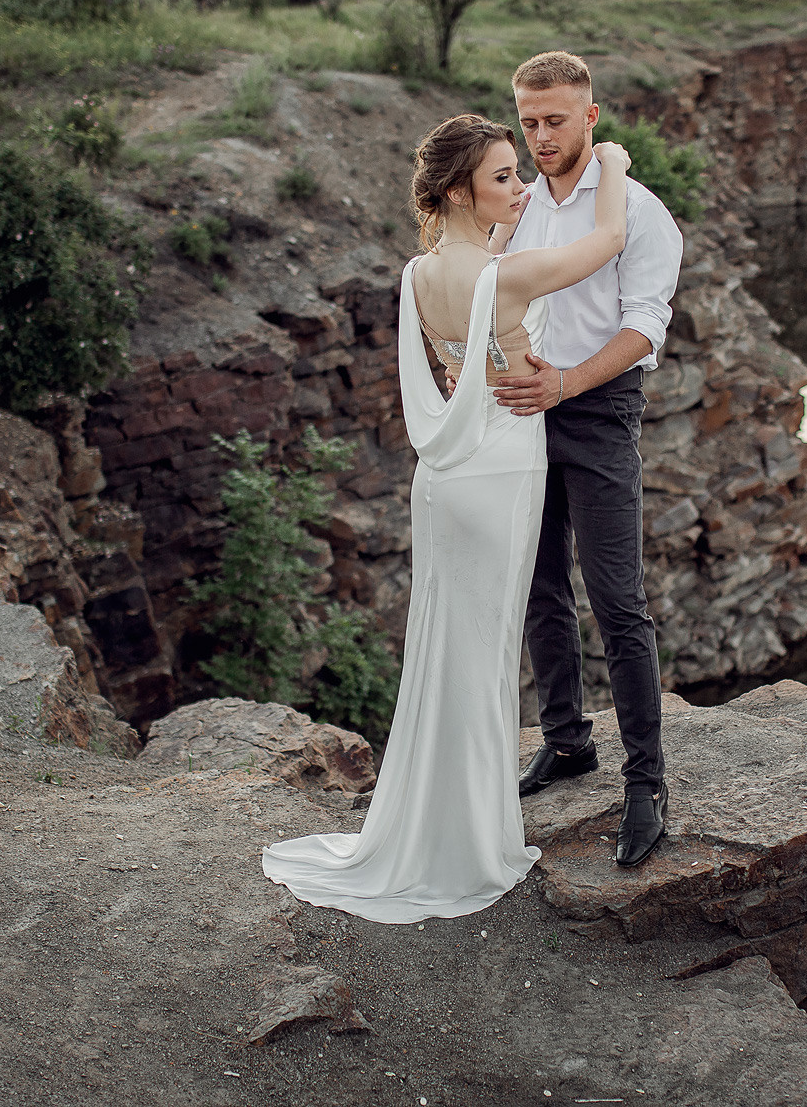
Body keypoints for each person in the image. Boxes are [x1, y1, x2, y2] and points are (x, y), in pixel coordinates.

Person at [260, 116, 632, 923]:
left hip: (444, 475)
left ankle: (432, 826)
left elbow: (465, 349)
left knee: (444, 645)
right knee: (485, 648)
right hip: (499, 468)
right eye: (504, 177)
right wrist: (612, 159)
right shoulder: (511, 275)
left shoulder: (420, 273)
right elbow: (607, 239)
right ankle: (465, 844)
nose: (521, 187)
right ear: (462, 190)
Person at [494, 51, 684, 870]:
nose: (540, 136)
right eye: (529, 122)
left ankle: (648, 783)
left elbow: (645, 328)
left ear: (591, 117)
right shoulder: (520, 208)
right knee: (537, 587)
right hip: (523, 413)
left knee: (616, 599)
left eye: (555, 121)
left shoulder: (640, 213)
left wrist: (569, 380)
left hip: (600, 412)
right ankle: (568, 741)